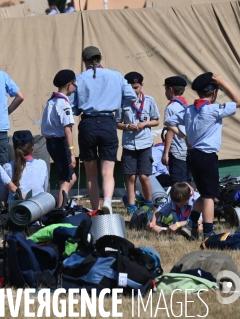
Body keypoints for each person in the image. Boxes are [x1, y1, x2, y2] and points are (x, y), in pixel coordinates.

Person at [166, 72, 240, 239]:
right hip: (207, 156)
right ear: (214, 92)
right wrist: (224, 82)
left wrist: (185, 137)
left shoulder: (189, 110)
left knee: (204, 193)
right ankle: (209, 232)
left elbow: (169, 122)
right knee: (210, 196)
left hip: (192, 156)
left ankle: (191, 223)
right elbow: (238, 101)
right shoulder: (213, 110)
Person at [71, 46, 137, 213]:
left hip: (88, 124)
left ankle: (95, 208)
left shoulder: (79, 79)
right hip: (109, 122)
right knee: (108, 172)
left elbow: (73, 107)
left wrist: (81, 108)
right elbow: (131, 96)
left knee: (91, 173)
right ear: (100, 58)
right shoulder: (116, 75)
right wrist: (115, 102)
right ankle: (108, 201)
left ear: (84, 61)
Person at [116, 72, 160, 215]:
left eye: (136, 87)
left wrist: (145, 123)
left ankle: (149, 203)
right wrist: (127, 126)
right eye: (130, 88)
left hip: (145, 143)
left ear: (142, 85)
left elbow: (156, 120)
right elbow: (117, 123)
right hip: (129, 143)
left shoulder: (149, 100)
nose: (134, 91)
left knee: (144, 176)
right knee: (130, 176)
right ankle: (131, 205)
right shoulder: (122, 102)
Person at [41, 69, 77, 207]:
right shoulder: (63, 103)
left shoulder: (51, 102)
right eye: (74, 85)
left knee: (71, 177)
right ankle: (60, 209)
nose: (74, 88)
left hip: (51, 142)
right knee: (66, 180)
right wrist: (72, 152)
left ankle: (59, 203)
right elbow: (67, 129)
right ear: (69, 85)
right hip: (60, 143)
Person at [2, 130, 48, 202]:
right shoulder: (42, 164)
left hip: (14, 210)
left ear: (14, 148)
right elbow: (44, 189)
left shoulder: (7, 168)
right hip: (38, 209)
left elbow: (3, 195)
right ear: (32, 148)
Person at [161, 76, 191, 184]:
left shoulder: (171, 107)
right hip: (188, 150)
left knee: (178, 183)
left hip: (177, 151)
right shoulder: (186, 106)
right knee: (187, 181)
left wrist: (165, 153)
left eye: (166, 89)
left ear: (171, 89)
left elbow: (170, 131)